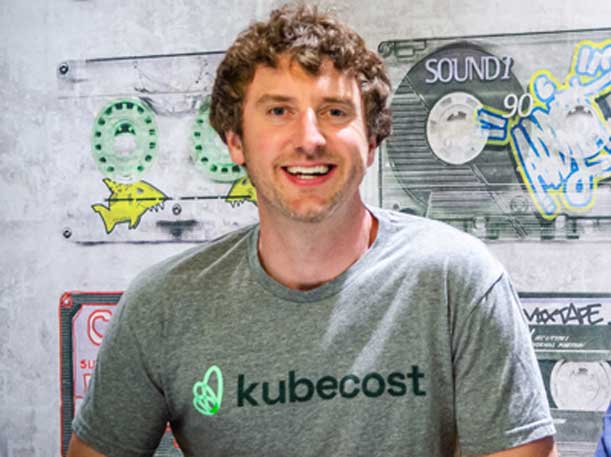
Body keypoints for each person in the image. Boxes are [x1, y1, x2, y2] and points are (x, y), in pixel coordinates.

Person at [68, 5, 557, 456]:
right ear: (235, 140)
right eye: (278, 111)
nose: (309, 139)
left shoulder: (459, 282)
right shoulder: (162, 306)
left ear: (371, 141)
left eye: (335, 112)